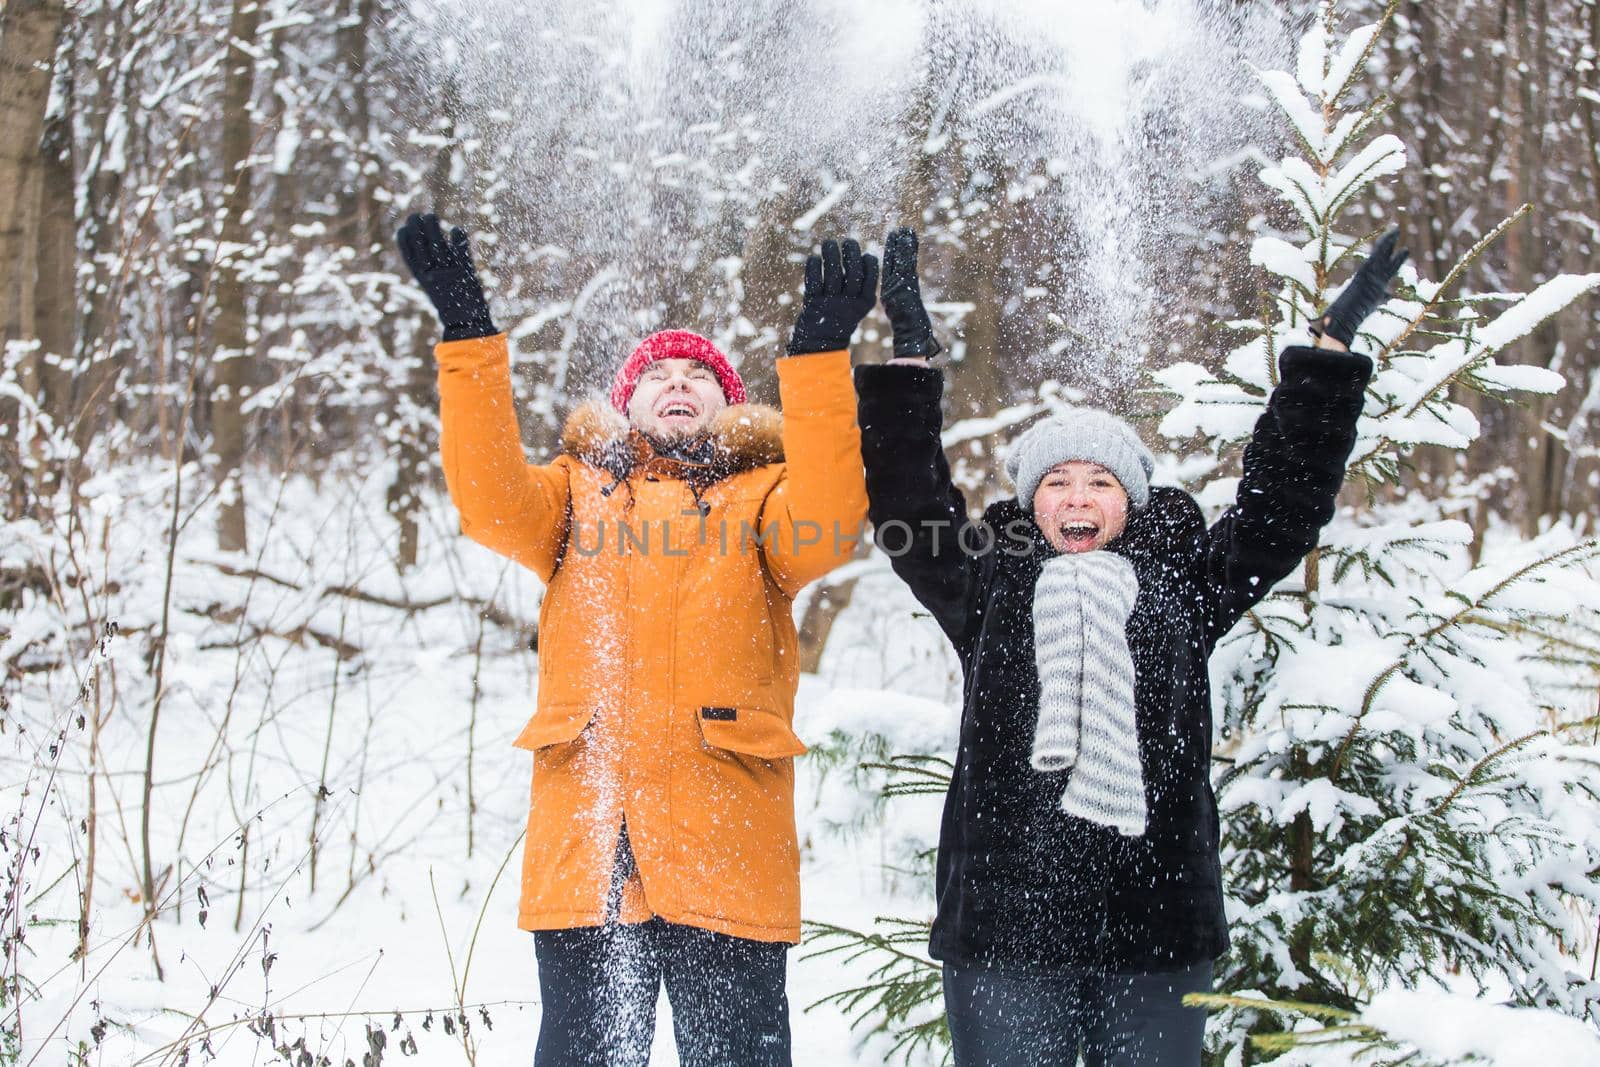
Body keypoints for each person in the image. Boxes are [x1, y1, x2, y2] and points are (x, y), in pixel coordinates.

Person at [855, 228, 1406, 1065]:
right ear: (1034, 500)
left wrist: (1329, 355)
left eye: (1100, 480)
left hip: (1153, 930)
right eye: (1057, 481)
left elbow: (1281, 504)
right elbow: (910, 498)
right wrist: (910, 360)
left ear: (1130, 500)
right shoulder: (989, 581)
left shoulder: (1185, 580)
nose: (1078, 495)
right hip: (1009, 929)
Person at [396, 214, 877, 1066]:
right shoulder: (569, 496)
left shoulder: (766, 500)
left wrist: (817, 365)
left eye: (701, 374)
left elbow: (833, 524)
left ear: (730, 404)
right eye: (659, 373)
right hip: (593, 845)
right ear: (627, 402)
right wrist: (470, 336)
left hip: (726, 846)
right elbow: (487, 499)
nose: (680, 381)